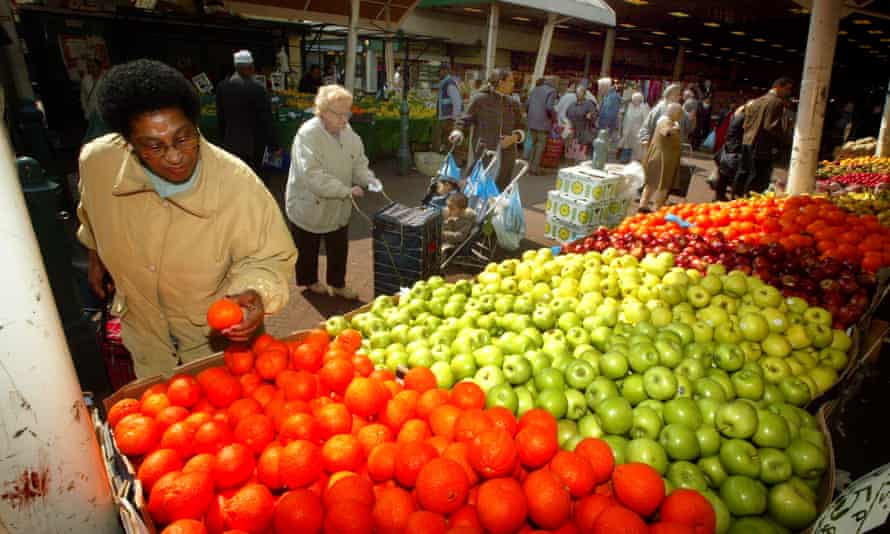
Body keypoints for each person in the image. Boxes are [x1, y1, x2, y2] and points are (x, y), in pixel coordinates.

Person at [77, 59, 297, 377]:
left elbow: (268, 257)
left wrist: (254, 292)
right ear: (127, 143)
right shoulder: (98, 163)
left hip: (216, 351)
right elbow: (92, 212)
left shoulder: (236, 182)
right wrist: (96, 254)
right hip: (146, 344)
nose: (175, 156)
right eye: (154, 146)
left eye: (182, 138)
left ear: (195, 125)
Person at [285, 85, 382, 300]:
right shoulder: (307, 135)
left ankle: (337, 284)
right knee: (307, 244)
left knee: (338, 245)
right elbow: (312, 175)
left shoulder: (349, 134)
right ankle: (309, 281)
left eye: (348, 112)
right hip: (309, 201)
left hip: (339, 203)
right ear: (323, 111)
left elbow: (358, 163)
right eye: (339, 114)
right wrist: (344, 190)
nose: (345, 119)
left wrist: (368, 179)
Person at [449, 68, 525, 191]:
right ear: (501, 82)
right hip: (484, 151)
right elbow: (464, 119)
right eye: (510, 81)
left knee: (500, 188)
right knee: (477, 185)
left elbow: (521, 126)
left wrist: (514, 137)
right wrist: (457, 132)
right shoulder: (480, 99)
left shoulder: (513, 103)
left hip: (507, 153)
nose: (513, 84)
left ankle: (493, 209)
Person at [215, 50, 277, 173]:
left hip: (230, 143)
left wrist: (223, 140)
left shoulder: (222, 87)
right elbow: (266, 120)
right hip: (253, 146)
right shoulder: (257, 89)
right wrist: (273, 145)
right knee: (254, 177)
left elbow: (221, 118)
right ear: (250, 67)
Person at [741, 77, 795, 194]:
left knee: (745, 174)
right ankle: (749, 203)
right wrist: (783, 139)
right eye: (787, 89)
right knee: (758, 178)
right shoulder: (776, 102)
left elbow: (745, 124)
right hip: (762, 145)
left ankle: (738, 199)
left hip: (747, 141)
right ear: (778, 87)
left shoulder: (758, 100)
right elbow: (771, 126)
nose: (789, 92)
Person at [640, 102, 684, 212]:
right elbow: (666, 131)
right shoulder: (666, 121)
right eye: (679, 113)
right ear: (674, 113)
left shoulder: (669, 121)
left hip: (661, 157)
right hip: (662, 159)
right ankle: (656, 208)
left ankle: (644, 205)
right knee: (662, 185)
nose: (681, 115)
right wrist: (675, 129)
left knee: (651, 183)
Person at [713, 102, 749, 201]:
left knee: (724, 175)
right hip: (734, 151)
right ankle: (725, 197)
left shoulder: (737, 116)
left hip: (729, 149)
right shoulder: (744, 118)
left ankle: (719, 196)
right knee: (732, 176)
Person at [525, 77, 557, 175]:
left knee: (533, 144)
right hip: (543, 122)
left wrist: (530, 114)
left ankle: (529, 167)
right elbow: (549, 107)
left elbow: (527, 104)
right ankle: (535, 169)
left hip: (532, 120)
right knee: (540, 146)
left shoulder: (535, 89)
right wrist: (554, 116)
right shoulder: (552, 91)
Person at [432, 64, 463, 153]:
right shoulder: (445, 83)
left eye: (440, 71)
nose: (439, 74)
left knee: (446, 141)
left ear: (445, 71)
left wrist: (455, 118)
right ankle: (444, 156)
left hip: (448, 118)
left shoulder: (449, 84)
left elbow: (457, 102)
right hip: (445, 117)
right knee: (445, 140)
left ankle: (446, 158)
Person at [564, 84, 598, 162]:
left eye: (580, 93)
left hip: (584, 131)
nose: (578, 95)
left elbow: (594, 115)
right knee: (571, 153)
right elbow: (567, 114)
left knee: (580, 154)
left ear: (584, 94)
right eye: (577, 93)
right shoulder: (573, 104)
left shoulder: (589, 104)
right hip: (573, 132)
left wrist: (590, 116)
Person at [618, 92, 649, 162]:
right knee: (626, 145)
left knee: (636, 150)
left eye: (636, 100)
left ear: (640, 100)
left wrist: (643, 134)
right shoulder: (629, 106)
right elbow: (625, 118)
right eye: (633, 100)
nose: (634, 101)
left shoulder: (644, 108)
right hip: (628, 131)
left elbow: (646, 122)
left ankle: (633, 162)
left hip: (637, 132)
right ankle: (624, 159)